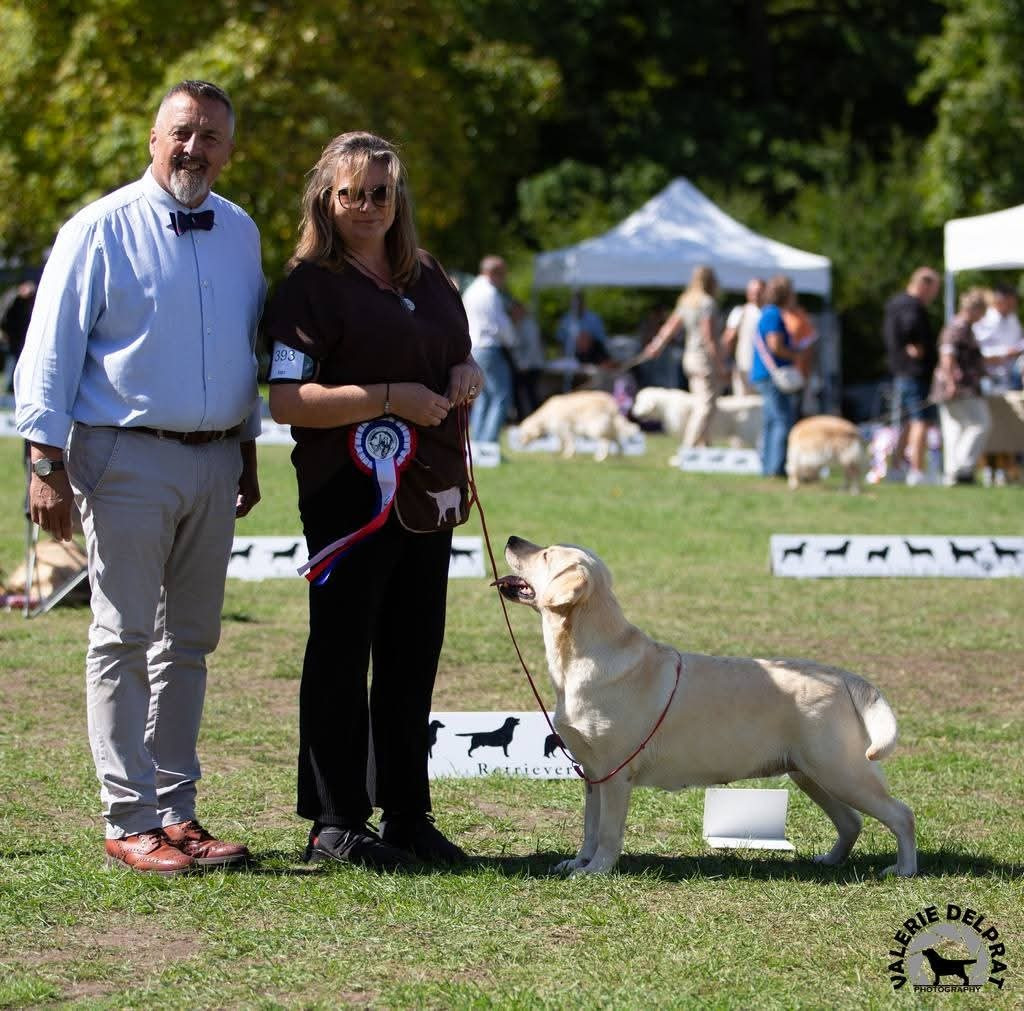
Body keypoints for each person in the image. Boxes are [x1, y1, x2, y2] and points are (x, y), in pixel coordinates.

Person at [14, 80, 264, 875]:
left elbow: (242, 354)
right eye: (182, 133)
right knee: (122, 634)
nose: (195, 149)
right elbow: (50, 350)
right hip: (123, 453)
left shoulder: (241, 231)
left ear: (231, 148)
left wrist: (248, 447)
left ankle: (176, 809)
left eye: (212, 137)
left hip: (217, 453)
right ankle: (128, 817)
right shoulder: (98, 227)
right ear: (153, 137)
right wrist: (44, 461)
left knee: (188, 641)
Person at [264, 131, 482, 871]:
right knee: (340, 653)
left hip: (426, 494)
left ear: (398, 199)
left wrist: (465, 373)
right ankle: (334, 821)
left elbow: (457, 350)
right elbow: (288, 400)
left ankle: (408, 813)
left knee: (413, 653)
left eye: (379, 193)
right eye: (350, 192)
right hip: (347, 499)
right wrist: (388, 397)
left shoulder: (429, 274)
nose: (365, 206)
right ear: (326, 198)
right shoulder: (307, 286)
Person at [642, 265, 725, 447]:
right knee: (706, 406)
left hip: (689, 358)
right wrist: (720, 364)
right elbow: (709, 337)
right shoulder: (707, 303)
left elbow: (670, 327)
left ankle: (704, 445)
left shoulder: (687, 301)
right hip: (704, 360)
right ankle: (689, 446)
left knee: (700, 403)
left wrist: (656, 346)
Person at [882, 267, 941, 485]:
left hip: (900, 371)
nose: (934, 296)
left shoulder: (894, 304)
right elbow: (911, 330)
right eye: (934, 290)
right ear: (924, 285)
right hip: (915, 372)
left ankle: (896, 468)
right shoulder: (912, 306)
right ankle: (917, 471)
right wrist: (916, 347)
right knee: (921, 421)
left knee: (907, 421)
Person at [931, 288, 991, 485]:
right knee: (980, 423)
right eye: (983, 311)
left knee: (955, 428)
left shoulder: (964, 327)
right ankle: (962, 469)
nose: (983, 316)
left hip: (957, 386)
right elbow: (947, 357)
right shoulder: (957, 328)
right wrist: (951, 383)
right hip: (959, 387)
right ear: (975, 308)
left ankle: (953, 473)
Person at [751, 274, 801, 477]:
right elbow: (775, 346)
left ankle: (769, 466)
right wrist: (795, 353)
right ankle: (776, 468)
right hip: (773, 375)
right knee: (781, 420)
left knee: (772, 420)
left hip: (765, 374)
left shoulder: (766, 313)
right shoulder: (773, 315)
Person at [463, 255, 516, 444]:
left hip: (474, 348)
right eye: (503, 275)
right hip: (489, 347)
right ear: (495, 273)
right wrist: (512, 341)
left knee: (482, 397)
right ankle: (489, 443)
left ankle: (476, 443)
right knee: (501, 395)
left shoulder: (470, 291)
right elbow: (500, 324)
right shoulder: (491, 293)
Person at [721, 278, 764, 395]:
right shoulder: (740, 312)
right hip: (744, 366)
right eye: (753, 292)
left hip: (764, 370)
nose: (756, 295)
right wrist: (723, 363)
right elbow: (728, 338)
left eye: (759, 291)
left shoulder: (769, 313)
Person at [1, 278, 36, 394]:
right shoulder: (12, 298)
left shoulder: (29, 299)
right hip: (11, 337)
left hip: (23, 337)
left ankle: (15, 389)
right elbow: (4, 317)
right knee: (11, 362)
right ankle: (9, 388)